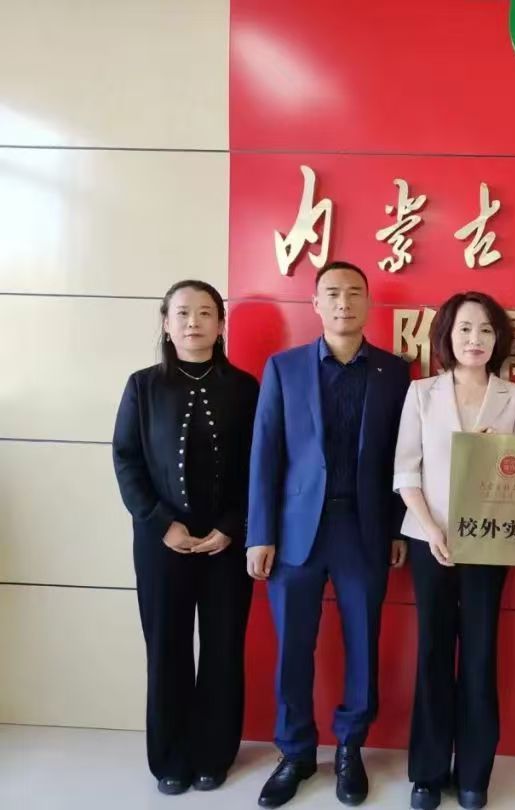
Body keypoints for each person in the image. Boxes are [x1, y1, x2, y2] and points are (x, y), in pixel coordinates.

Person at [246, 260, 410, 808]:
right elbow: (265, 453)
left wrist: (396, 528)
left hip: (363, 528)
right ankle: (294, 752)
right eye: (333, 293)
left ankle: (349, 748)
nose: (344, 302)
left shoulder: (394, 372)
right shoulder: (284, 367)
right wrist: (260, 533)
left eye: (354, 293)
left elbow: (401, 457)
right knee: (293, 646)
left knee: (363, 641)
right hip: (296, 532)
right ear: (315, 304)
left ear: (368, 303)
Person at [112, 279, 258, 796]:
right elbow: (126, 460)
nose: (193, 322)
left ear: (221, 324)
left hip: (226, 544)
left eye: (205, 312)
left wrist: (232, 527)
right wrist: (160, 523)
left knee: (223, 648)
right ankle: (170, 757)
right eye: (182, 313)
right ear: (166, 323)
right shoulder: (142, 386)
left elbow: (258, 466)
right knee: (167, 648)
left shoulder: (245, 388)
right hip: (161, 543)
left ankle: (214, 754)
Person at [394, 292, 515, 810]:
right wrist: (430, 529)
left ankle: (474, 772)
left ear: (499, 339)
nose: (475, 339)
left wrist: (503, 452)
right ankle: (427, 774)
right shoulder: (422, 393)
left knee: (479, 653)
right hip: (429, 537)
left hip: (489, 541)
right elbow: (406, 469)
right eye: (465, 329)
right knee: (433, 652)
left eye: (486, 330)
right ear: (446, 337)